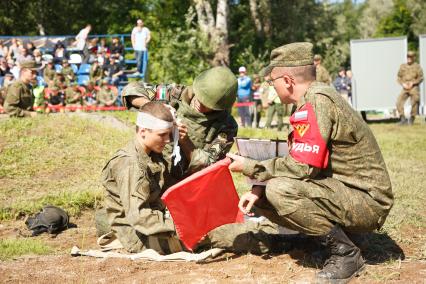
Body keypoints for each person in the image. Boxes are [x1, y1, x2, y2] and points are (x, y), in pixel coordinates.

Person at [226, 42, 393, 283]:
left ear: (288, 80)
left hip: (367, 201)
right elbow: (306, 161)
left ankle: (346, 254)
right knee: (264, 196)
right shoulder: (316, 97)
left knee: (280, 190)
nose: (271, 87)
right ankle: (342, 238)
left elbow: (302, 166)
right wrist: (258, 188)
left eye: (272, 82)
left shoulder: (317, 102)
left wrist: (250, 166)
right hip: (351, 192)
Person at [101, 101, 284, 254]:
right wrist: (188, 225)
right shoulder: (130, 164)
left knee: (216, 214)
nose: (167, 141)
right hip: (141, 237)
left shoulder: (150, 153)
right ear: (142, 132)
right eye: (162, 135)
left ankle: (271, 232)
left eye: (169, 135)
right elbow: (140, 218)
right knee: (224, 233)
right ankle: (283, 242)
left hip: (159, 222)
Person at [120, 66, 238, 179]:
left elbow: (208, 167)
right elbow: (131, 91)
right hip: (146, 170)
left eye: (208, 105)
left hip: (181, 185)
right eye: (200, 98)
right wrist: (157, 109)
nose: (200, 105)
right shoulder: (174, 93)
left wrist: (185, 141)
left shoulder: (226, 126)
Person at [396, 51, 424, 125]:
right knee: (399, 101)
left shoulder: (417, 66)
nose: (409, 58)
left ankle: (412, 119)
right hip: (405, 87)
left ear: (413, 57)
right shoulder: (402, 66)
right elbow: (399, 77)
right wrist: (403, 84)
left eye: (410, 56)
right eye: (408, 56)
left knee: (415, 101)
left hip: (413, 87)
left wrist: (413, 83)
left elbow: (421, 77)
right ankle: (403, 119)